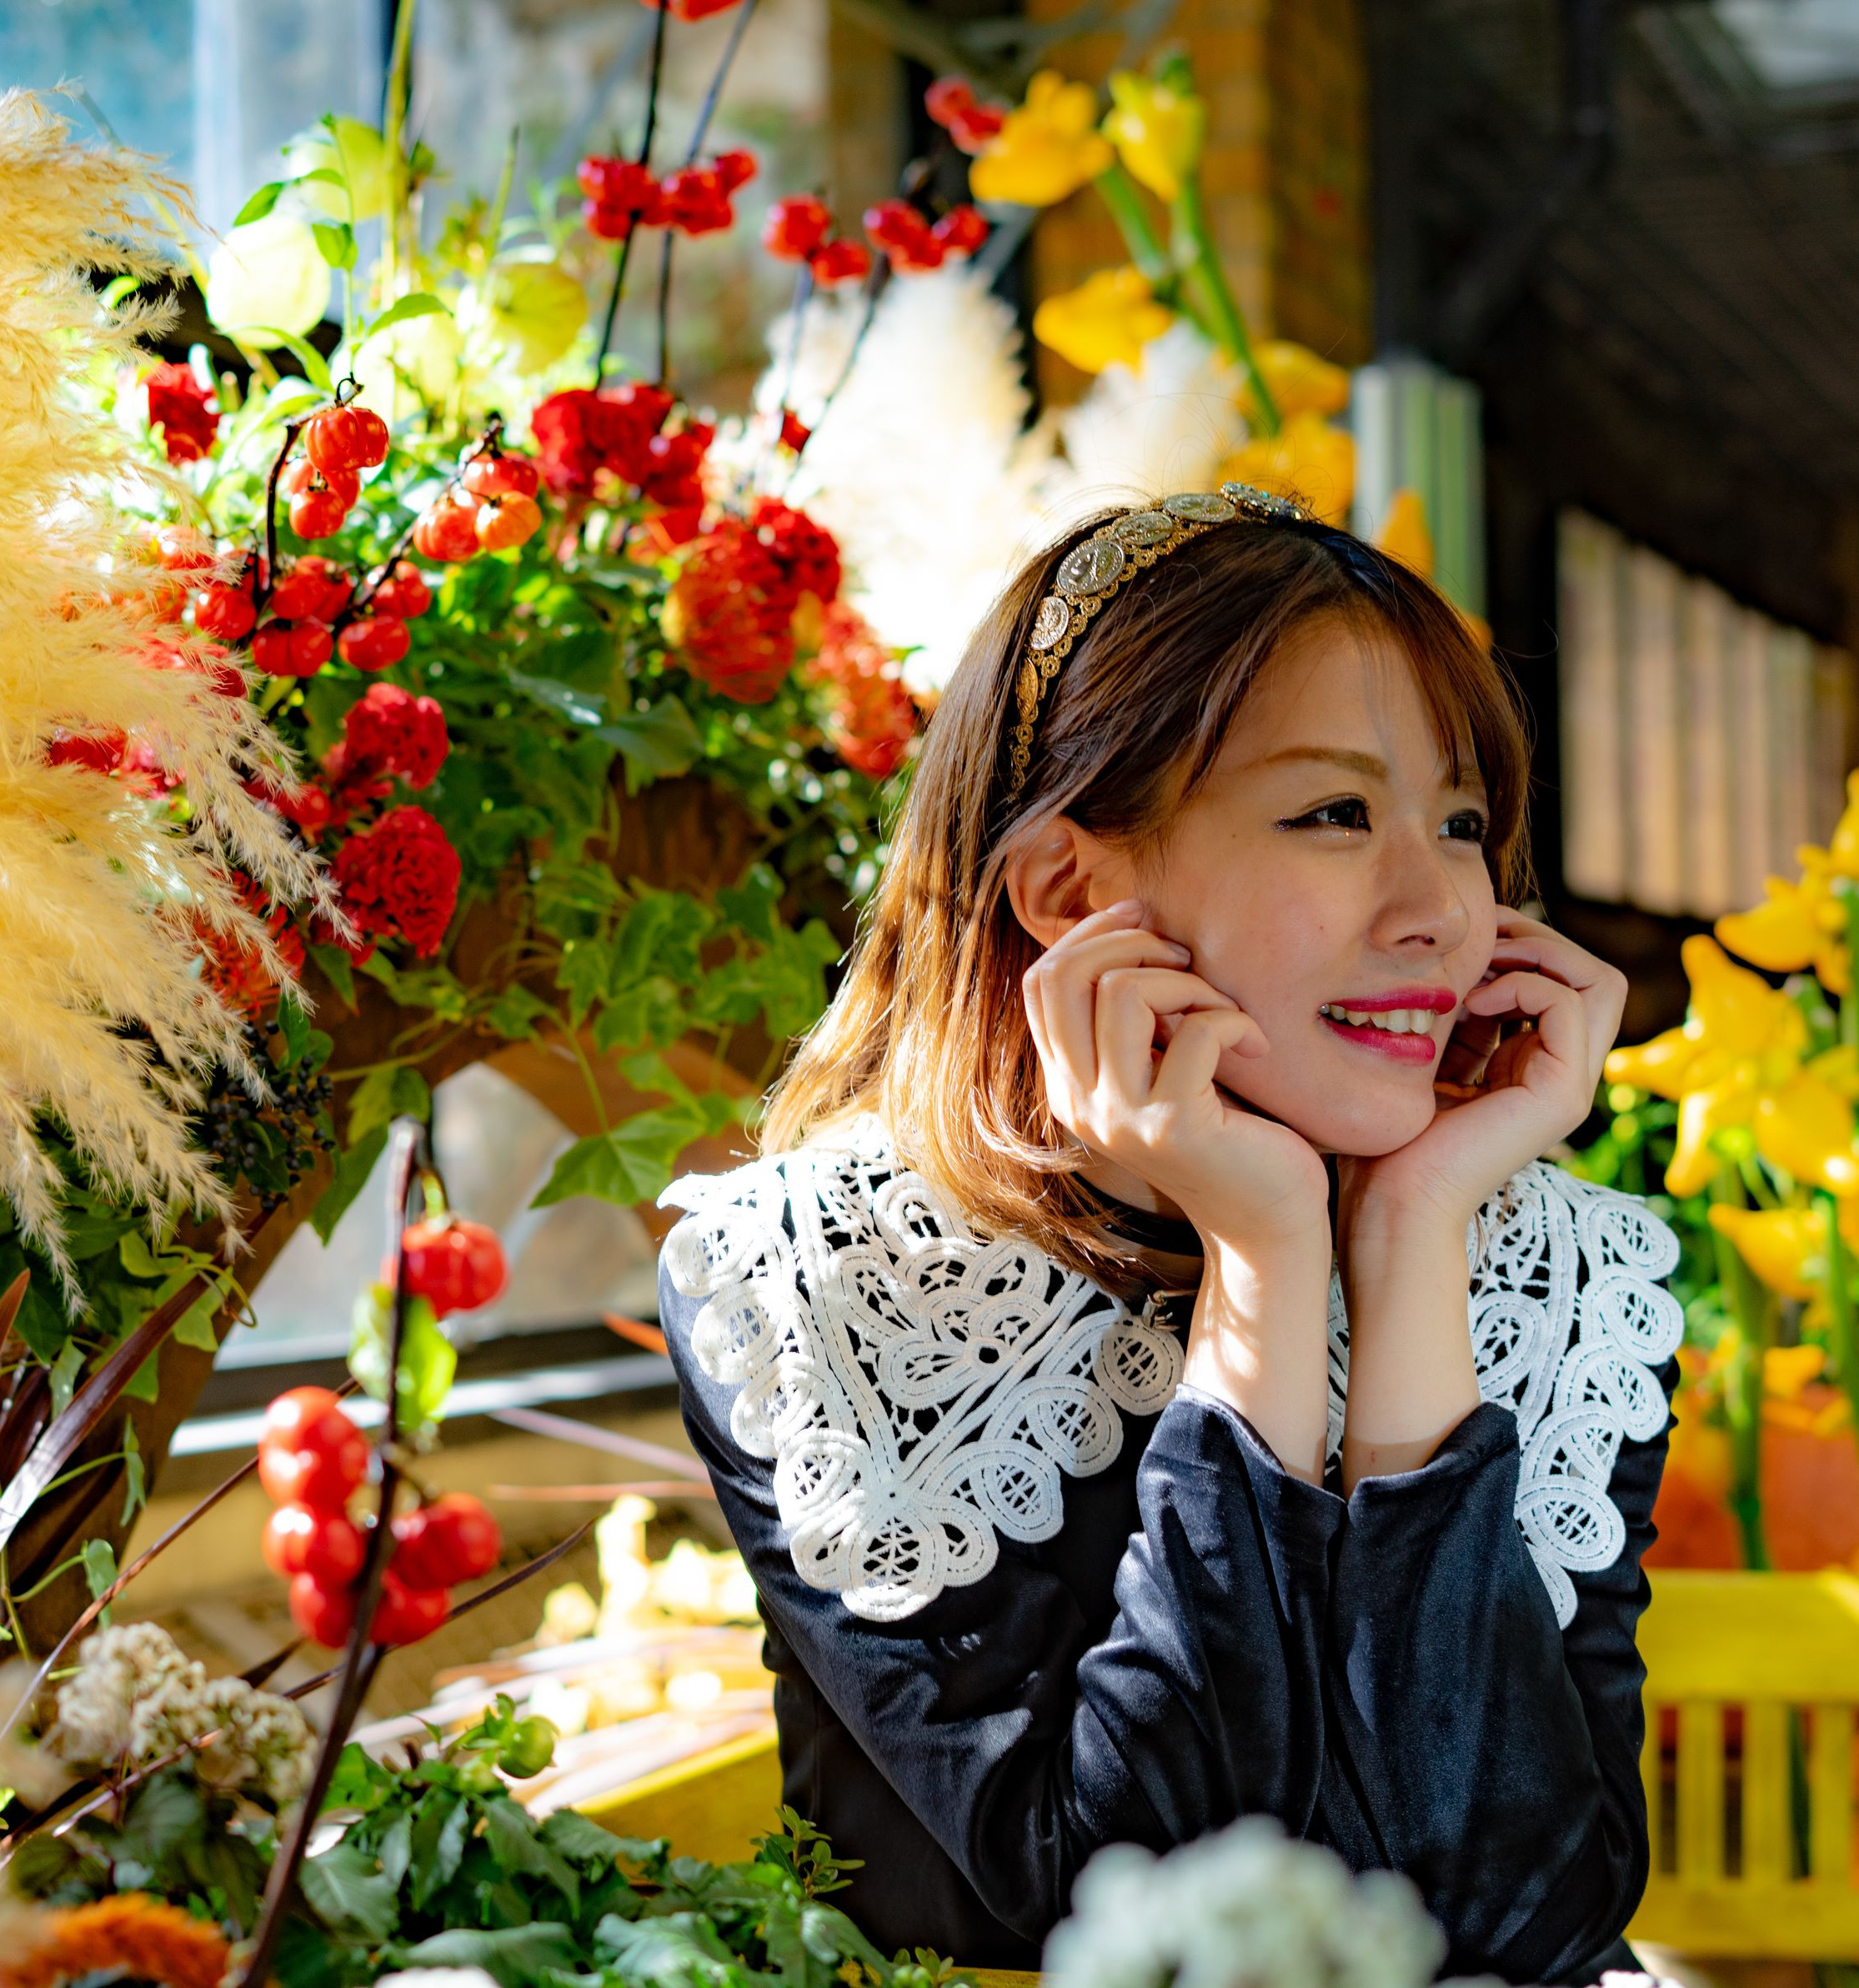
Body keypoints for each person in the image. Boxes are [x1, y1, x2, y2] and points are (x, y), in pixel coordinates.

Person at [655, 486, 1676, 1982]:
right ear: (1070, 891)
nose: (1438, 911)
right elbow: (1113, 1901)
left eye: (1460, 825)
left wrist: (1408, 1246)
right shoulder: (826, 1278)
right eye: (1334, 814)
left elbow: (1533, 1920)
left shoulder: (1555, 1275)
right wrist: (1263, 1264)